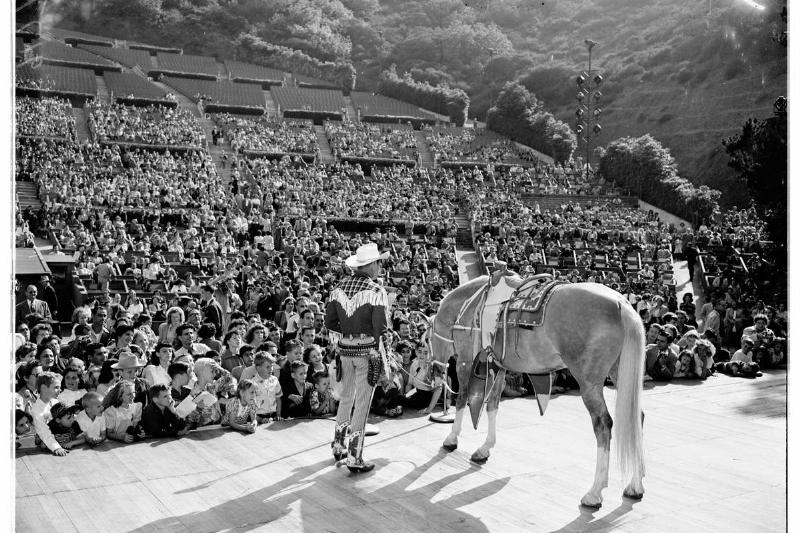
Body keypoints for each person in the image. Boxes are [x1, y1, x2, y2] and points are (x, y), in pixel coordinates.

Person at [325, 242, 391, 473]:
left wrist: (342, 341)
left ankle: (338, 444)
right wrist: (384, 358)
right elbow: (380, 330)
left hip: (345, 350)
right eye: (379, 262)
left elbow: (330, 323)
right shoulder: (375, 291)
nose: (381, 266)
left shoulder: (337, 289)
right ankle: (354, 456)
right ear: (371, 265)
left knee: (346, 398)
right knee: (362, 404)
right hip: (367, 352)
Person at [30, 372, 69, 456]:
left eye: (60, 387)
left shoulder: (55, 401)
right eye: (56, 387)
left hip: (60, 434)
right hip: (47, 437)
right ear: (43, 388)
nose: (60, 390)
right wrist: (56, 447)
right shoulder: (37, 410)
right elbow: (43, 431)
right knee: (44, 444)